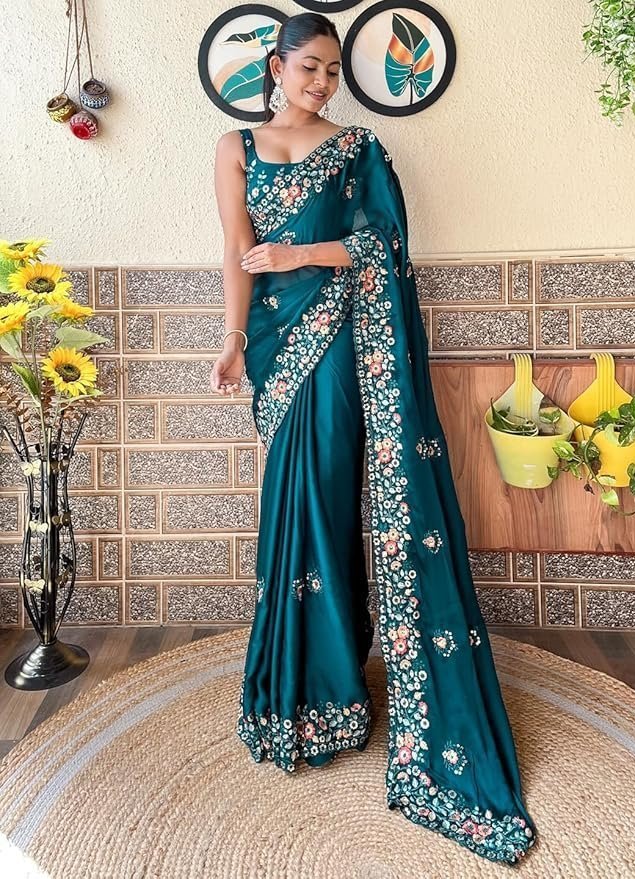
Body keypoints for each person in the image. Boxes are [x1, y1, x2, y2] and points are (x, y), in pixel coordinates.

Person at [211, 11, 537, 866]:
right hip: (275, 351)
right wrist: (234, 340)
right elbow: (236, 250)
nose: (322, 83)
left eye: (331, 72)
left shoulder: (358, 149)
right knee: (293, 508)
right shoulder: (233, 148)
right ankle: (301, 692)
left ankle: (335, 687)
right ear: (275, 66)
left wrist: (303, 255)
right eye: (309, 68)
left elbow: (383, 242)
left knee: (328, 503)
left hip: (343, 350)